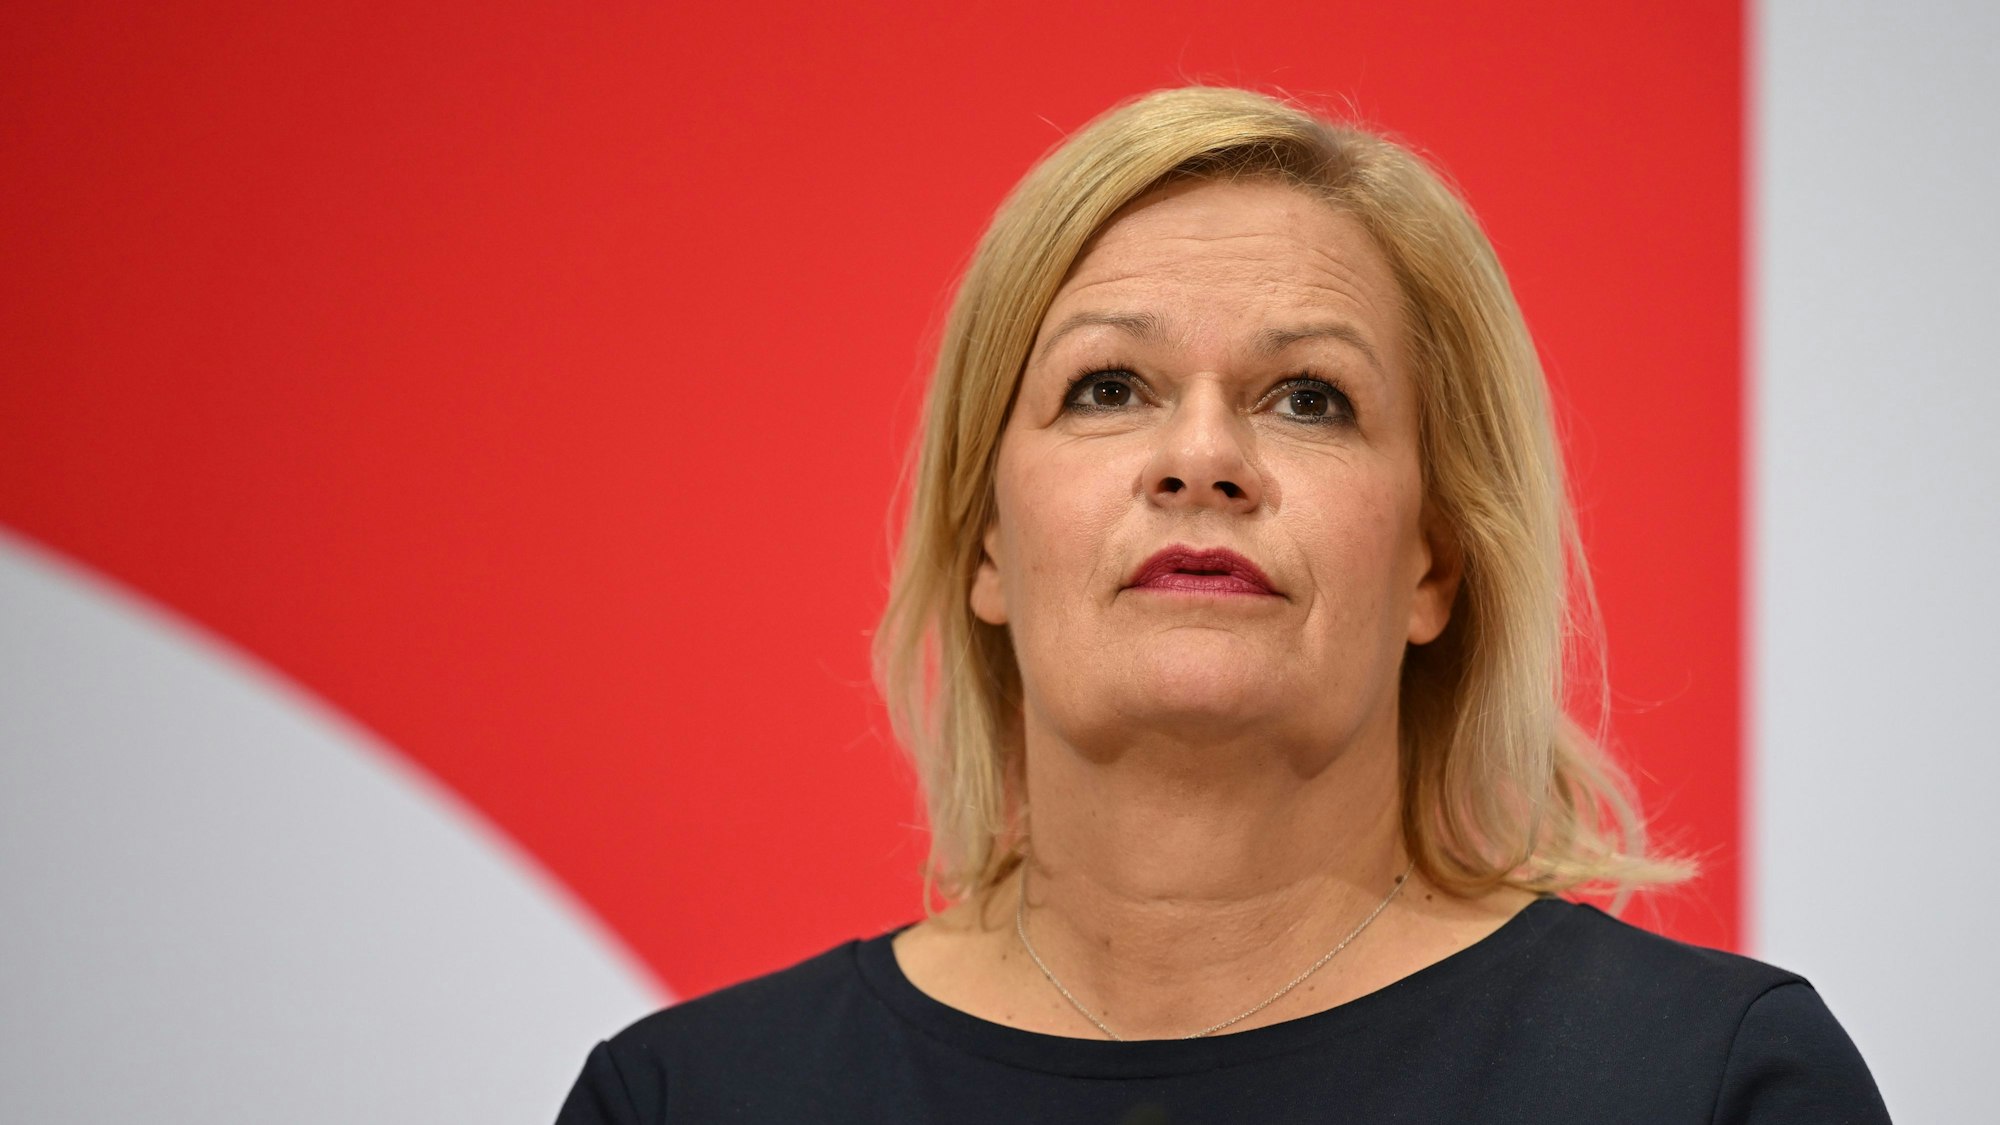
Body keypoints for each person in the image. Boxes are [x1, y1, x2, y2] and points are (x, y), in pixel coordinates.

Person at [556, 86, 1889, 1123]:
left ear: (1433, 561)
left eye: (1309, 396)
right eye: (1107, 386)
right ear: (988, 548)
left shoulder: (1710, 1085)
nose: (1200, 459)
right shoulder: (689, 1099)